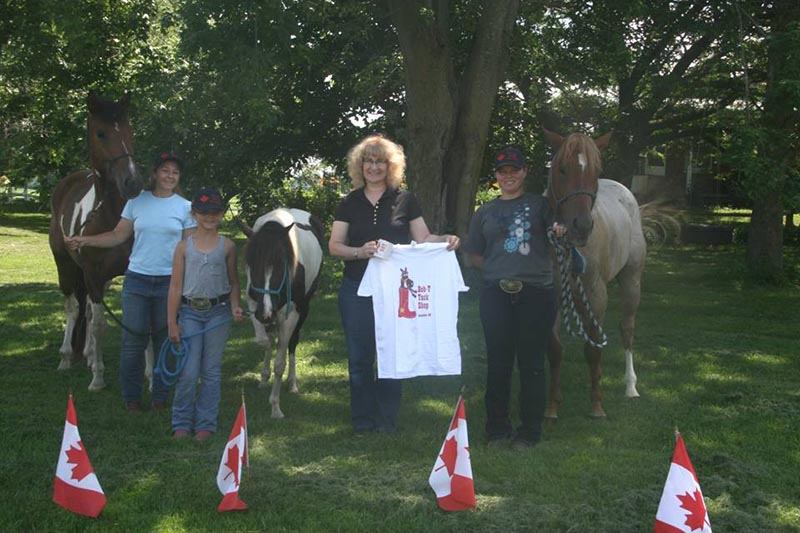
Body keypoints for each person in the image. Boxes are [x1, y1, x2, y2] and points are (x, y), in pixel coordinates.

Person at [328, 133, 459, 434]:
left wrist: (446, 240)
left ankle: (386, 420)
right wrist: (360, 251)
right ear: (359, 167)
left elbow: (423, 238)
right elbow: (335, 246)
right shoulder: (348, 202)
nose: (374, 168)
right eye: (368, 162)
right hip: (356, 290)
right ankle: (362, 421)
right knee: (360, 358)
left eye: (380, 162)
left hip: (394, 294)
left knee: (392, 354)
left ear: (391, 167)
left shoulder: (405, 199)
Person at [65, 151, 196, 412]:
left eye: (175, 172)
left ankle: (160, 396)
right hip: (136, 281)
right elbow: (117, 235)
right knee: (132, 343)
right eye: (165, 170)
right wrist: (86, 240)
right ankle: (131, 398)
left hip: (169, 284)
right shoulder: (137, 202)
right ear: (155, 174)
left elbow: (189, 247)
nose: (170, 175)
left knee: (164, 340)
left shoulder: (185, 207)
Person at [463, 146, 566, 449]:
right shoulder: (485, 212)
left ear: (524, 173)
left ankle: (530, 430)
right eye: (502, 171)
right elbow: (472, 254)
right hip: (496, 294)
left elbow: (557, 230)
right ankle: (497, 427)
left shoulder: (541, 205)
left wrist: (559, 231)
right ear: (496, 176)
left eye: (514, 170)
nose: (508, 176)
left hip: (536, 293)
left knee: (532, 362)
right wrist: (498, 269)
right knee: (498, 361)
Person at [167, 187, 244, 441]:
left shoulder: (228, 246)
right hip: (189, 313)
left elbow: (233, 282)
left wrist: (234, 305)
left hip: (218, 314)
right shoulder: (183, 248)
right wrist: (172, 322)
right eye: (203, 212)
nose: (209, 217)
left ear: (221, 214)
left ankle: (205, 424)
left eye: (214, 212)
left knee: (211, 371)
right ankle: (181, 421)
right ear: (194, 213)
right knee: (188, 371)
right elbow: (176, 286)